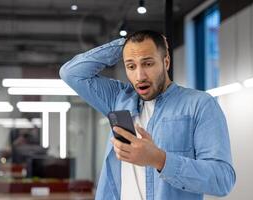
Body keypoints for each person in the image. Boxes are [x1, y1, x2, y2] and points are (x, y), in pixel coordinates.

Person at [60, 30, 236, 200]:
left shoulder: (199, 105)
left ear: (166, 62)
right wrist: (124, 44)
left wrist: (159, 159)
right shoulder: (119, 99)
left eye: (148, 63)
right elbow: (71, 73)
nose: (140, 76)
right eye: (131, 66)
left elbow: (222, 180)